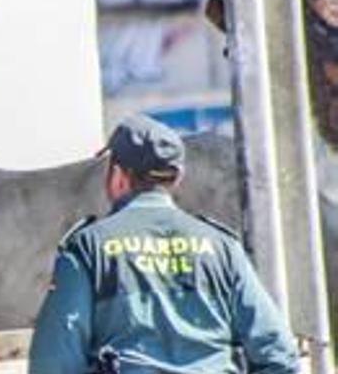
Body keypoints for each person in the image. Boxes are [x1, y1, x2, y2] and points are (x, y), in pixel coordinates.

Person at [28, 115, 299, 373]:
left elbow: (53, 361)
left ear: (119, 176)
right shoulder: (222, 247)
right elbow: (279, 355)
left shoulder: (88, 247)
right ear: (177, 178)